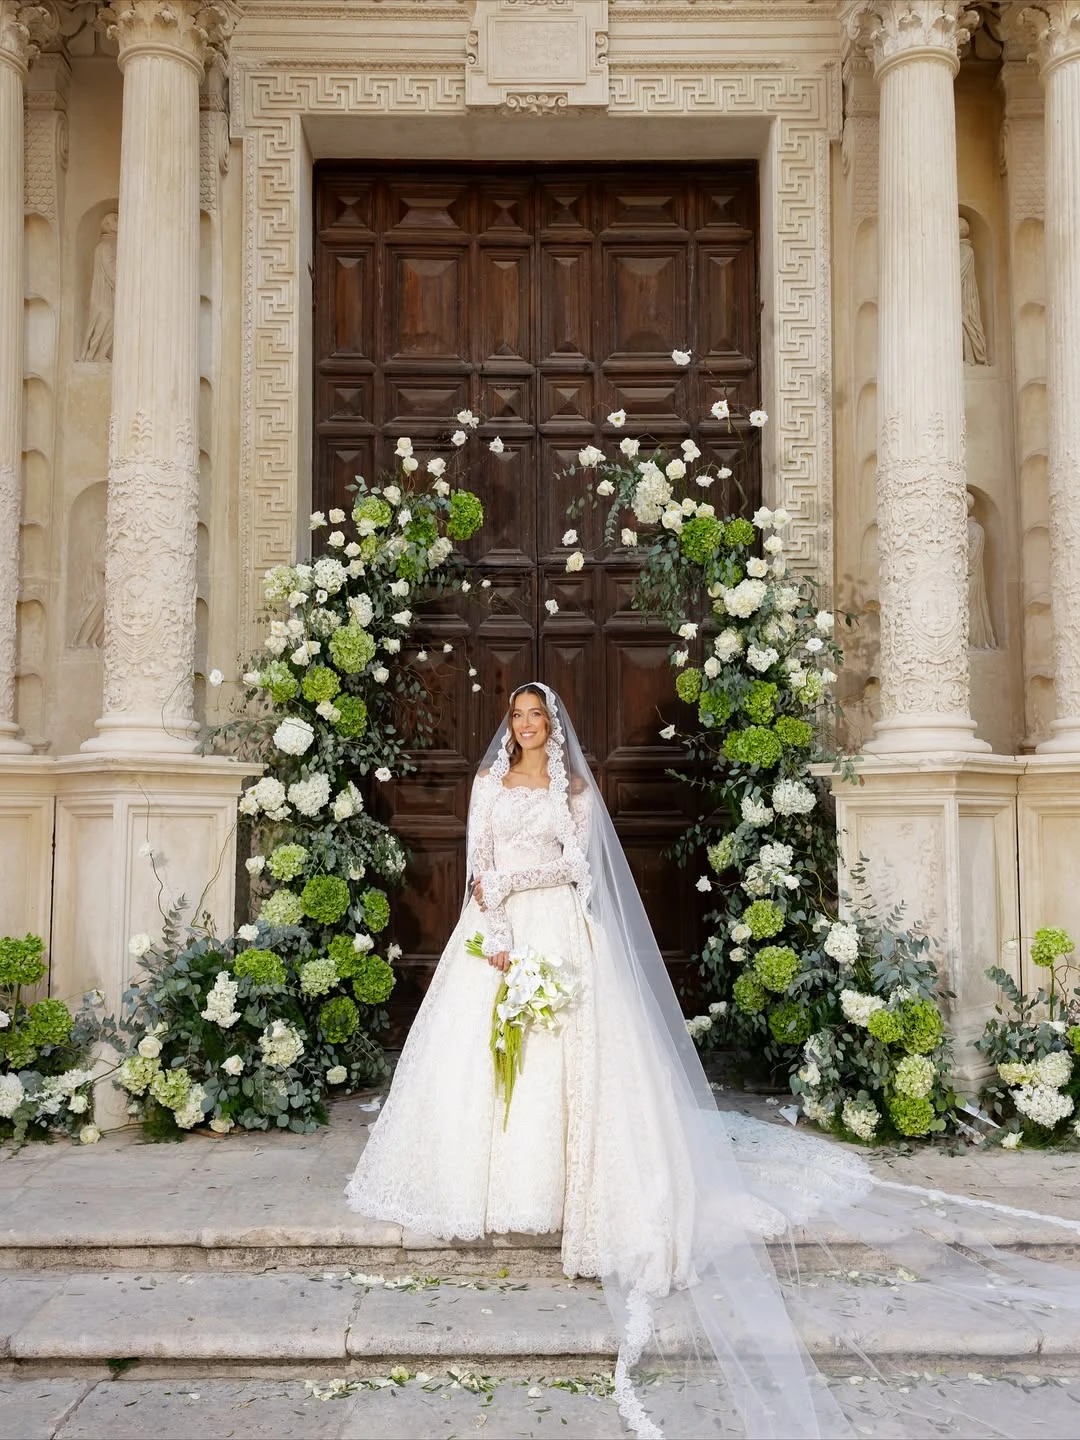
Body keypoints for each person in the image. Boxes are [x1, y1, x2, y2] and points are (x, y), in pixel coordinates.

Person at [346, 682, 848, 1439]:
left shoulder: (575, 788)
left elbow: (583, 871)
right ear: (507, 728)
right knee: (484, 1059)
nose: (527, 726)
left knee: (577, 1058)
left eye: (537, 716)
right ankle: (491, 1183)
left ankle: (575, 1187)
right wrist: (497, 931)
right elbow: (478, 865)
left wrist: (529, 883)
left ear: (553, 726)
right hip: (503, 933)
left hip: (563, 932)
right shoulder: (487, 783)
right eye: (517, 717)